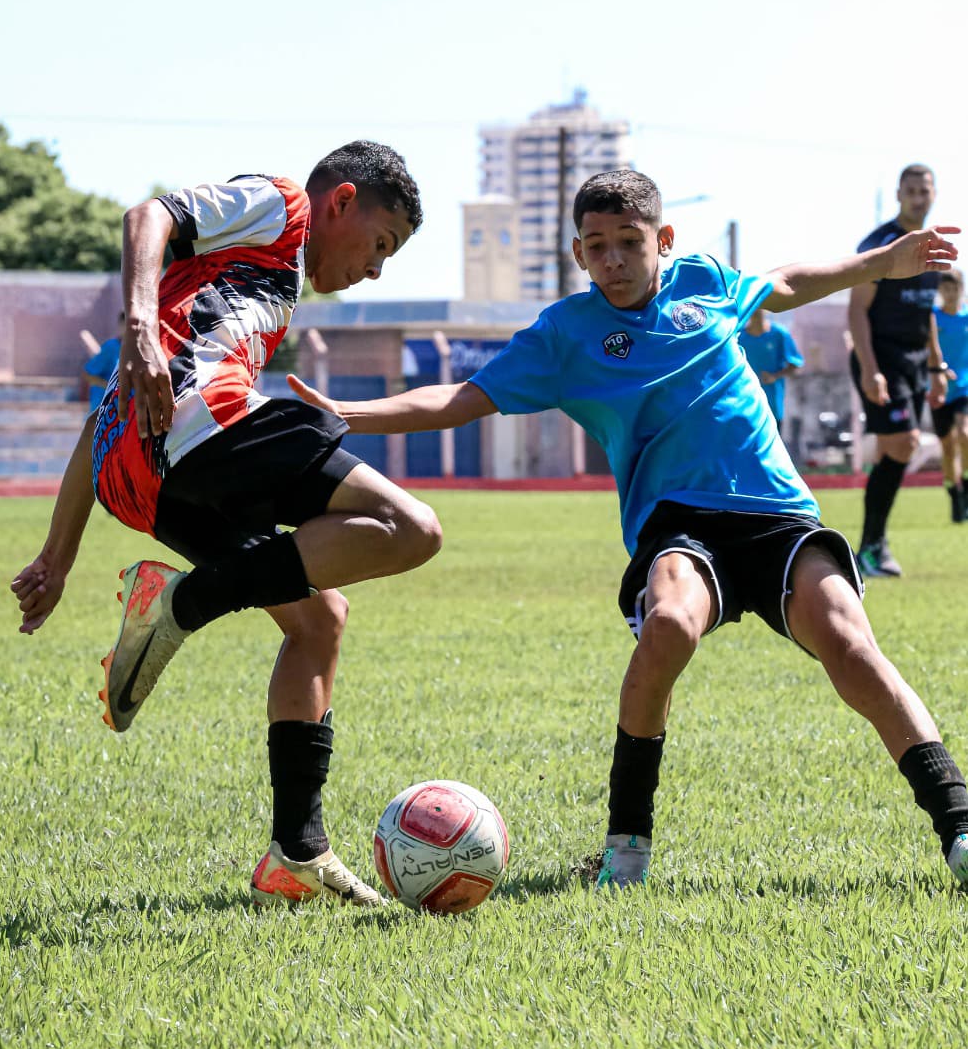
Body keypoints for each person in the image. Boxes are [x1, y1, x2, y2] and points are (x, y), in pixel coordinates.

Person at [287, 169, 968, 893]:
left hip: (776, 513)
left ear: (664, 242)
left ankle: (957, 825)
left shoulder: (704, 283)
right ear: (579, 254)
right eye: (597, 246)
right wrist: (348, 413)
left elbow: (787, 280)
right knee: (669, 623)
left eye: (629, 243)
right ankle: (626, 847)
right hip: (678, 524)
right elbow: (461, 397)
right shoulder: (566, 336)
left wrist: (882, 263)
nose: (613, 260)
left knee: (851, 641)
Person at [11, 142, 442, 909]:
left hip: (150, 480)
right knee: (412, 528)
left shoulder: (227, 292)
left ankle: (296, 854)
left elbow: (103, 423)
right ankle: (181, 606)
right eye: (381, 245)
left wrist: (57, 557)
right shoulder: (285, 205)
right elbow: (150, 213)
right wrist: (137, 319)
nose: (375, 269)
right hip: (204, 431)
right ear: (341, 202)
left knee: (318, 619)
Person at [848, 164, 950, 578]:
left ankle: (870, 548)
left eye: (924, 190)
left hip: (913, 360)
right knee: (906, 442)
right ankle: (871, 547)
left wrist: (937, 365)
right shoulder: (881, 244)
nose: (917, 197)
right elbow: (857, 311)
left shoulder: (932, 247)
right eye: (910, 190)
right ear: (898, 195)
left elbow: (926, 313)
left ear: (933, 194)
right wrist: (871, 369)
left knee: (898, 451)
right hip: (881, 358)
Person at [934, 268, 968, 523]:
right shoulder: (932, 318)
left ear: (961, 289)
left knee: (964, 434)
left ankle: (965, 485)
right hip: (938, 390)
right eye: (945, 288)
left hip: (965, 387)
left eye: (954, 288)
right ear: (939, 291)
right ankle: (953, 492)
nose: (950, 293)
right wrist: (938, 371)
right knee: (947, 446)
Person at [739, 306, 803, 434]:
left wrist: (775, 376)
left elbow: (795, 364)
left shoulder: (779, 334)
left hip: (772, 405)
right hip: (744, 404)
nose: (757, 310)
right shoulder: (739, 336)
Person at [81, 312, 125, 413]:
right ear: (121, 324)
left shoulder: (137, 349)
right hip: (103, 411)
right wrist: (112, 388)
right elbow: (87, 375)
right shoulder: (111, 347)